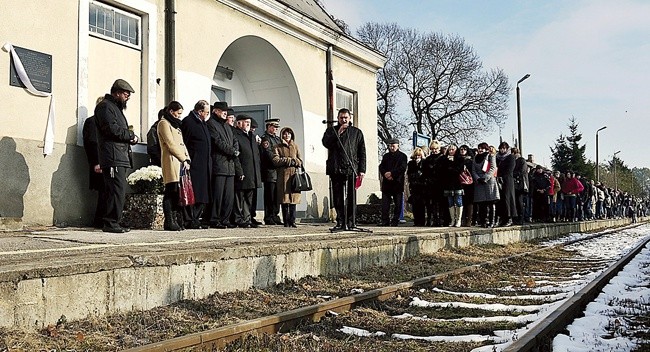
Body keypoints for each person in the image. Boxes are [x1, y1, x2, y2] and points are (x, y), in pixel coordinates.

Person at [95, 79, 138, 233]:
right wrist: (130, 135)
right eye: (126, 94)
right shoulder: (105, 107)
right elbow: (111, 129)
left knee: (117, 190)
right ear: (117, 93)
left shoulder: (114, 108)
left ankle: (114, 221)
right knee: (115, 190)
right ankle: (110, 222)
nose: (128, 97)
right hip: (113, 156)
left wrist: (130, 138)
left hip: (119, 155)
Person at [322, 108, 366, 231]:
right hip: (336, 168)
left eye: (346, 117)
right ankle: (340, 221)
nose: (344, 120)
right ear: (338, 118)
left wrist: (362, 169)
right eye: (341, 118)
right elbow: (326, 143)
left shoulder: (357, 132)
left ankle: (351, 222)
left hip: (352, 168)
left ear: (350, 118)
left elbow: (362, 152)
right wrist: (339, 134)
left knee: (351, 196)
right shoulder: (331, 131)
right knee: (338, 197)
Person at [157, 101, 191, 231]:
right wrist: (183, 158)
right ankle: (169, 221)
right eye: (178, 113)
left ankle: (177, 220)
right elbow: (170, 144)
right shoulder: (164, 123)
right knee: (171, 191)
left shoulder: (175, 125)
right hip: (171, 161)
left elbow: (181, 143)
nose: (179, 116)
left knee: (178, 193)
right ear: (171, 111)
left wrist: (187, 159)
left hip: (180, 163)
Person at [206, 101, 238, 229]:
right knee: (218, 195)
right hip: (219, 164)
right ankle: (214, 219)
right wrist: (232, 151)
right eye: (222, 111)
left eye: (226, 111)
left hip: (230, 166)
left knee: (228, 196)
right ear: (216, 111)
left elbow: (234, 140)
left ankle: (225, 219)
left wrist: (235, 150)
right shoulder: (211, 124)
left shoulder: (227, 126)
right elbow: (217, 142)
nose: (225, 113)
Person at [180, 100, 212, 229]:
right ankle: (189, 219)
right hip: (194, 164)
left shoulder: (203, 123)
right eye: (206, 112)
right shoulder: (188, 122)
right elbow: (185, 142)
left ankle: (196, 218)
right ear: (200, 111)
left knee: (203, 194)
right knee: (192, 192)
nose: (207, 115)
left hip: (205, 165)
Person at [233, 114, 262, 228]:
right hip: (243, 171)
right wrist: (239, 171)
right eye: (246, 122)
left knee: (249, 198)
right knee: (239, 197)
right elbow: (236, 156)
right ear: (239, 123)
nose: (248, 125)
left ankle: (247, 218)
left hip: (252, 173)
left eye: (249, 123)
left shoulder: (251, 136)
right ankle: (239, 218)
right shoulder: (236, 135)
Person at [82, 96, 107, 228]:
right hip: (100, 163)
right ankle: (99, 221)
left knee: (107, 191)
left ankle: (103, 220)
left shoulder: (102, 122)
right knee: (103, 192)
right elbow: (92, 143)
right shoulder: (92, 122)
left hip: (106, 161)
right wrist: (97, 162)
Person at [272, 127, 302, 227]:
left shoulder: (295, 146)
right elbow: (275, 160)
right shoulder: (277, 147)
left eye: (289, 134)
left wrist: (295, 161)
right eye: (285, 134)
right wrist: (287, 160)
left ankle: (292, 220)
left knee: (293, 199)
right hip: (283, 175)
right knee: (284, 199)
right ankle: (285, 220)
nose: (287, 135)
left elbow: (300, 160)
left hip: (294, 175)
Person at [378, 138, 407, 226]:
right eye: (390, 145)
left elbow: (402, 168)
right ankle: (385, 221)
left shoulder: (403, 156)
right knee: (385, 204)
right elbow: (381, 166)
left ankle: (395, 220)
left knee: (398, 204)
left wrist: (392, 174)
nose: (392, 147)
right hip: (387, 184)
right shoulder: (386, 156)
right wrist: (385, 174)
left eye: (393, 145)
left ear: (398, 146)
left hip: (397, 183)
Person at [471, 142, 500, 228]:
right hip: (479, 183)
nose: (480, 150)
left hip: (489, 182)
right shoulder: (475, 158)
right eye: (479, 148)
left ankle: (492, 221)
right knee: (481, 204)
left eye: (482, 148)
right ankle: (483, 221)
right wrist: (477, 178)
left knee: (491, 203)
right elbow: (473, 170)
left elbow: (493, 168)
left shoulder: (490, 156)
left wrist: (485, 178)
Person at [260, 118, 282, 225]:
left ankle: (275, 215)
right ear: (268, 127)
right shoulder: (265, 139)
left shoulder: (277, 139)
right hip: (270, 171)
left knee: (277, 195)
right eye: (274, 127)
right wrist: (278, 161)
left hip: (278, 172)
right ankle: (269, 216)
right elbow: (269, 154)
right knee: (270, 195)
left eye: (277, 127)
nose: (276, 129)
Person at [423, 140, 444, 226]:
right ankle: (433, 219)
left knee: (441, 203)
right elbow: (425, 171)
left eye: (436, 149)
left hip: (440, 183)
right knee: (432, 203)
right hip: (430, 184)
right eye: (433, 149)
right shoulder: (428, 159)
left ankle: (441, 219)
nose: (434, 150)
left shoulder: (443, 158)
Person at [495, 142, 517, 226]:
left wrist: (503, 176)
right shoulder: (497, 157)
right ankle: (502, 217)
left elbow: (510, 169)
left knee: (508, 198)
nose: (502, 150)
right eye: (501, 148)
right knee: (500, 199)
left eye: (504, 148)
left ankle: (509, 217)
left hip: (507, 180)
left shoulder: (510, 157)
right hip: (499, 179)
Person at [407, 147, 427, 226]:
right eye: (416, 156)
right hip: (414, 186)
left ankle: (422, 221)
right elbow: (410, 174)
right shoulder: (411, 163)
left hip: (422, 186)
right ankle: (416, 220)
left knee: (421, 205)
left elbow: (425, 173)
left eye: (419, 156)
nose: (417, 157)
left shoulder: (424, 163)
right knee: (415, 205)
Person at [512, 147, 529, 225]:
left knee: (519, 201)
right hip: (515, 183)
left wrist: (512, 174)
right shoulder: (514, 161)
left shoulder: (521, 160)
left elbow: (521, 172)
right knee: (516, 201)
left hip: (520, 183)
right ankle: (516, 217)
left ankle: (521, 218)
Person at [459, 145, 475, 226]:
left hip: (469, 183)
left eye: (464, 149)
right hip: (459, 183)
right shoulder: (457, 159)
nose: (462, 151)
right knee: (461, 202)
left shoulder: (471, 160)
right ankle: (462, 219)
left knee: (469, 201)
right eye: (461, 149)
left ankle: (469, 220)